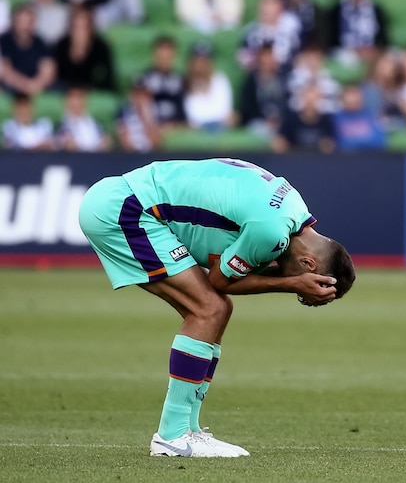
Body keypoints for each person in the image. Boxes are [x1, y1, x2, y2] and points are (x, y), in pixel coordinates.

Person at [77, 157, 356, 457]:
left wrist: (294, 281)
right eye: (306, 291)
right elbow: (221, 280)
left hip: (127, 200)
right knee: (209, 307)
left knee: (218, 309)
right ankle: (172, 436)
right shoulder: (271, 233)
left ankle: (189, 430)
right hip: (126, 210)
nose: (298, 290)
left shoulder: (293, 209)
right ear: (308, 263)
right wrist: (291, 284)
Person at [327, 0, 389, 66]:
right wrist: (354, 50)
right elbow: (331, 40)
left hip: (372, 51)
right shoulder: (336, 10)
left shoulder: (376, 9)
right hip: (346, 52)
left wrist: (375, 50)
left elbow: (384, 38)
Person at [52, 6, 117, 91]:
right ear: (70, 28)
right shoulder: (61, 45)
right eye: (76, 27)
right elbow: (56, 78)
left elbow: (107, 79)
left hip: (93, 93)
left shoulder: (101, 47)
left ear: (91, 28)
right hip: (66, 94)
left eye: (84, 27)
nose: (80, 32)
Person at [0, 3, 56, 97]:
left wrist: (37, 84)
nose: (25, 26)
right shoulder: (4, 41)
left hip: (36, 86)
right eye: (22, 21)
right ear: (14, 21)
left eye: (29, 22)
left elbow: (48, 68)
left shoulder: (40, 42)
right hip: (10, 87)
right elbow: (5, 71)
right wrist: (26, 86)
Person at [183, 42, 235, 132]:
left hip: (220, 126)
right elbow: (193, 114)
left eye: (204, 60)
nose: (201, 64)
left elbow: (225, 111)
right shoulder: (185, 82)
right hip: (196, 129)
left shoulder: (220, 79)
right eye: (197, 60)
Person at [139, 35, 187, 126]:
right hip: (150, 128)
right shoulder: (142, 80)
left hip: (174, 128)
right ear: (154, 55)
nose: (164, 61)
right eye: (161, 58)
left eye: (167, 58)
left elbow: (183, 112)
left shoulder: (180, 80)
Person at [56, 85, 112, 152]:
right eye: (73, 97)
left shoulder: (96, 124)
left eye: (80, 97)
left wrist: (106, 142)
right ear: (66, 100)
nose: (76, 102)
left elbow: (105, 141)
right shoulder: (59, 126)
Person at [116, 76, 163, 152]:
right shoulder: (124, 111)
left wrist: (146, 117)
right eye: (137, 94)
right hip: (131, 155)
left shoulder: (155, 111)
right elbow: (124, 142)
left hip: (151, 154)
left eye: (143, 94)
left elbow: (156, 143)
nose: (140, 98)